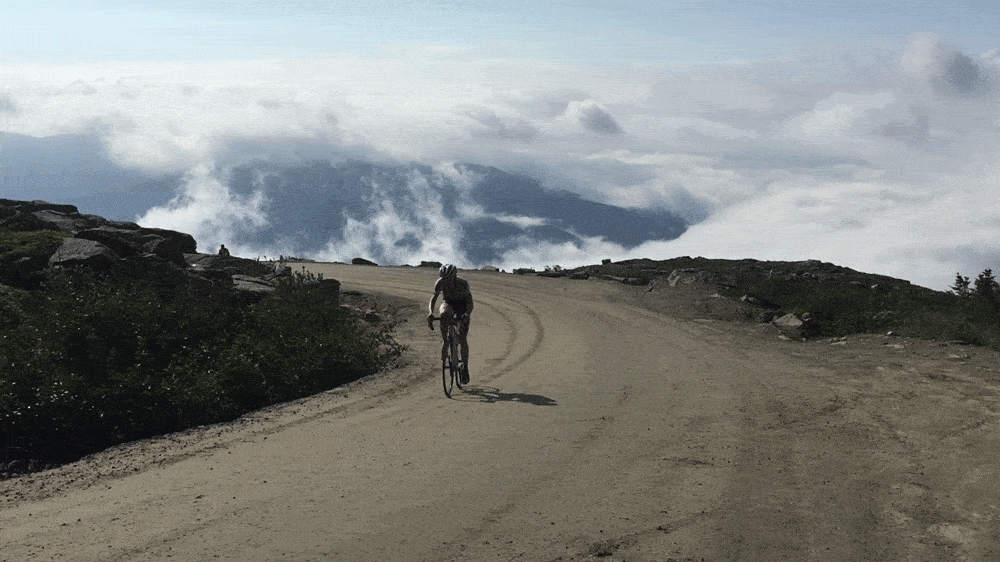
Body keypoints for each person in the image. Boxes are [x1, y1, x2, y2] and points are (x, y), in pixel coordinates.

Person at [428, 264, 474, 384]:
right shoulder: (440, 283)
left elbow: (470, 303)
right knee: (444, 314)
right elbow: (434, 298)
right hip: (448, 303)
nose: (446, 281)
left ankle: (465, 366)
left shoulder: (463, 284)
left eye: (448, 278)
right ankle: (445, 341)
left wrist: (466, 315)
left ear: (454, 277)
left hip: (462, 305)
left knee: (462, 339)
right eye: (444, 278)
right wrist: (430, 313)